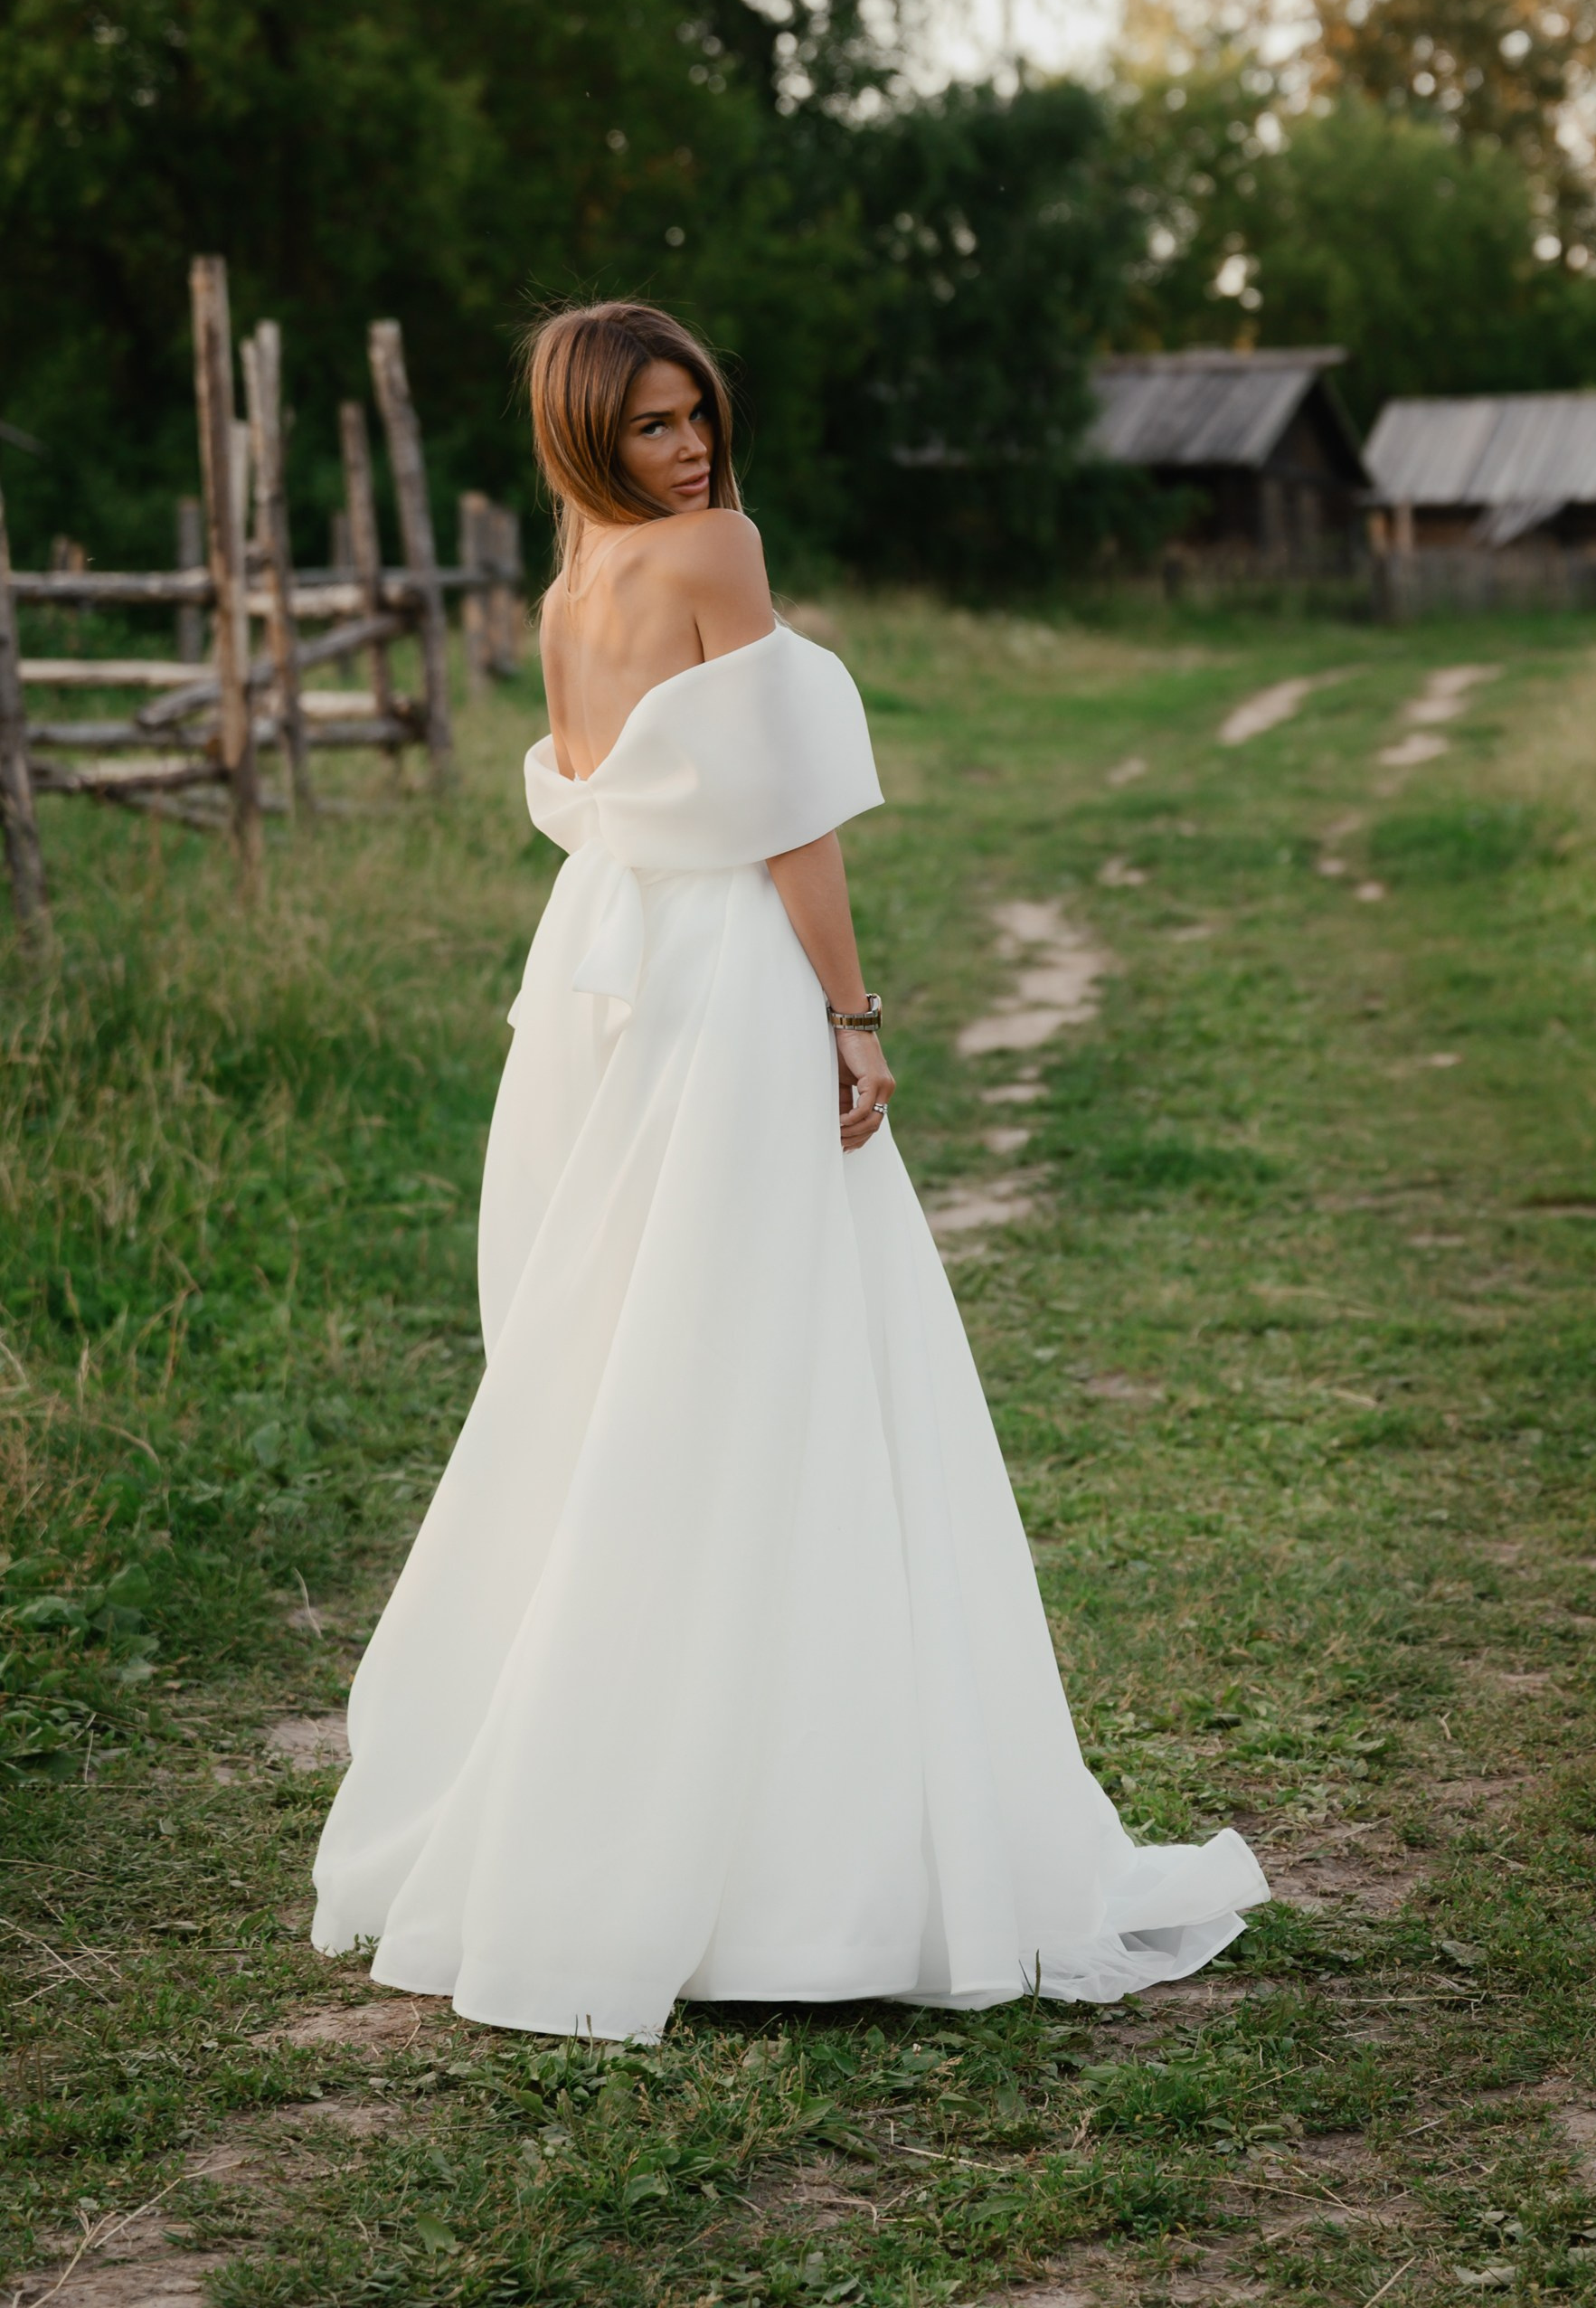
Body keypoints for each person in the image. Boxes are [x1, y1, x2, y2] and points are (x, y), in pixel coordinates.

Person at [309, 299, 1266, 2039]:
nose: (687, 448)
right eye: (653, 426)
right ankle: (779, 1851)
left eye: (697, 418)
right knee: (770, 1350)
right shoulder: (716, 553)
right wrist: (854, 1007)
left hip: (608, 973)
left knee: (643, 1349)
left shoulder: (564, 595)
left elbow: (604, 796)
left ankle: (640, 1816)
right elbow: (787, 817)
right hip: (725, 980)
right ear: (590, 434)